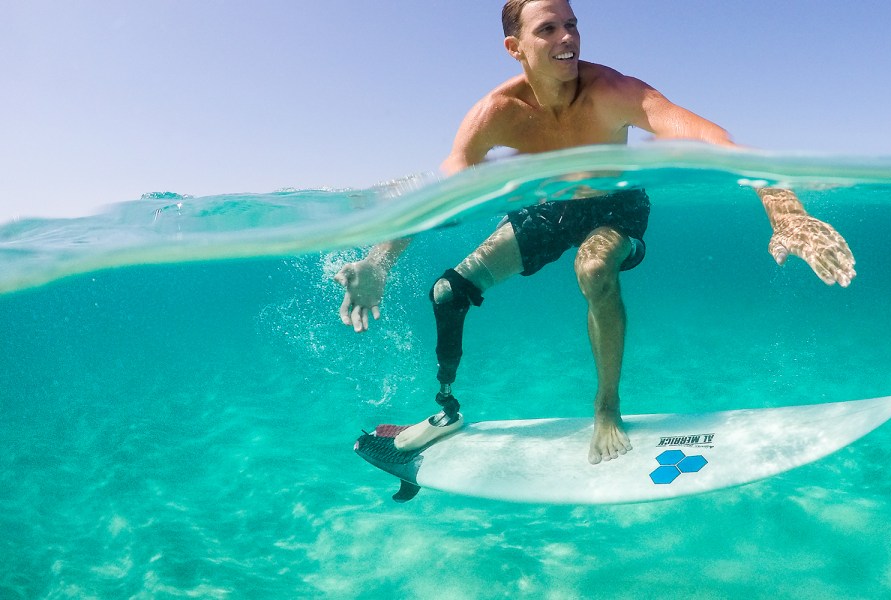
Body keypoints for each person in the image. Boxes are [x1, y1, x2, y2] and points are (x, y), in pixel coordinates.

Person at [334, 0, 856, 465]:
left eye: (573, 24)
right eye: (549, 29)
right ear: (515, 47)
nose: (568, 38)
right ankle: (446, 408)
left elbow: (713, 141)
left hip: (616, 209)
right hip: (550, 209)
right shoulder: (495, 113)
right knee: (448, 292)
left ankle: (607, 406)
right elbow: (443, 191)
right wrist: (379, 261)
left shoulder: (613, 91)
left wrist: (784, 209)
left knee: (594, 264)